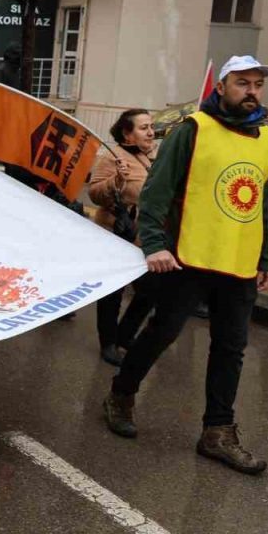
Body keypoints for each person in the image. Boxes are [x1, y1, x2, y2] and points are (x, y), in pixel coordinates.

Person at [103, 56, 268, 475]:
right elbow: (157, 191)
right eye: (242, 82)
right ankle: (121, 394)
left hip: (238, 263)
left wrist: (267, 257)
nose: (251, 90)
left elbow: (267, 205)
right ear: (221, 87)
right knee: (162, 332)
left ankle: (217, 432)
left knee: (231, 349)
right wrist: (153, 243)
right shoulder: (194, 130)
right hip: (188, 257)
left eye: (257, 84)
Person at [87, 109, 158, 365]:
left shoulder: (152, 157)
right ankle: (108, 343)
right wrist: (117, 179)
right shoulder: (112, 157)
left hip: (144, 238)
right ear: (127, 133)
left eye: (151, 126)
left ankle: (124, 335)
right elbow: (95, 193)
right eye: (143, 128)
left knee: (150, 292)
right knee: (112, 293)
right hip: (115, 234)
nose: (150, 132)